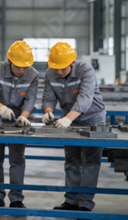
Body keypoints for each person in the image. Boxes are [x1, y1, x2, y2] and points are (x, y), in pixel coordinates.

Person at [42, 42, 106, 212]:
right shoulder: (50, 73)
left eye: (62, 68)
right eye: (56, 68)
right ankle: (71, 201)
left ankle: (84, 204)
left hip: (93, 120)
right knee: (72, 161)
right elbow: (48, 97)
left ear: (72, 63)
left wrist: (68, 119)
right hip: (69, 121)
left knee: (91, 162)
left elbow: (85, 98)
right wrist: (48, 111)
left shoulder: (86, 70)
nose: (59, 72)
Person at [0, 40, 39, 209]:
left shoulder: (32, 74)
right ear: (9, 61)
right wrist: (1, 108)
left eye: (25, 67)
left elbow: (30, 99)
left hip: (18, 121)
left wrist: (23, 116)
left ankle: (16, 198)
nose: (22, 71)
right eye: (18, 67)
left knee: (17, 159)